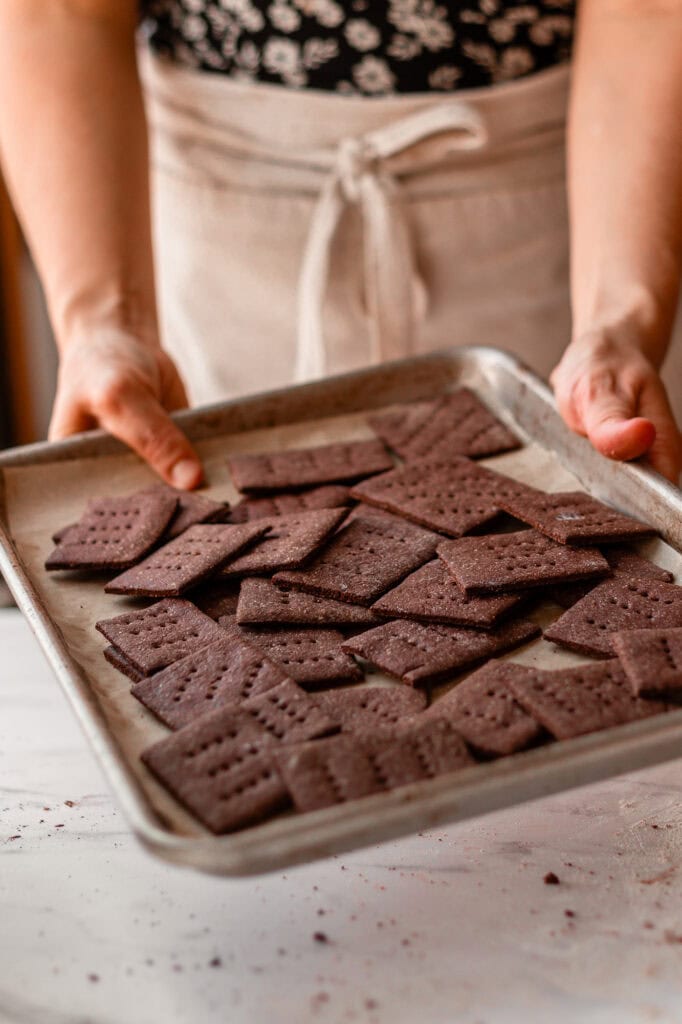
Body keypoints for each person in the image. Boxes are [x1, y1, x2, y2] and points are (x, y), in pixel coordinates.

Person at [0, 0, 680, 487]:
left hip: (560, 203)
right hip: (225, 224)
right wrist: (104, 322)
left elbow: (646, 12)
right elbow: (59, 12)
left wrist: (617, 320)